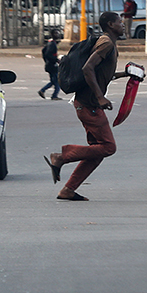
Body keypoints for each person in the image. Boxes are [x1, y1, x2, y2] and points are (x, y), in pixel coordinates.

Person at [43, 11, 132, 201]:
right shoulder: (106, 43)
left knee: (96, 152)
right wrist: (100, 97)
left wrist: (124, 74)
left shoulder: (109, 43)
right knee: (108, 147)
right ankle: (61, 157)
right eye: (119, 22)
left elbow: (101, 73)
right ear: (110, 25)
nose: (122, 24)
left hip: (88, 105)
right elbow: (87, 68)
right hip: (89, 105)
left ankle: (68, 190)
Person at [38, 29, 62, 100]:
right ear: (52, 34)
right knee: (57, 81)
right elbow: (48, 54)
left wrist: (47, 60)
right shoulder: (52, 44)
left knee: (53, 81)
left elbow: (43, 51)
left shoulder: (51, 43)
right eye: (56, 33)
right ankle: (54, 95)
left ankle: (42, 90)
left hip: (50, 64)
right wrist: (56, 60)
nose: (57, 35)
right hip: (52, 65)